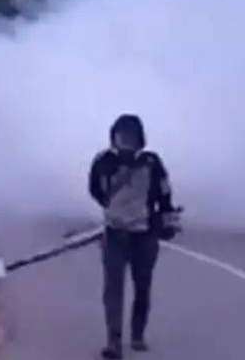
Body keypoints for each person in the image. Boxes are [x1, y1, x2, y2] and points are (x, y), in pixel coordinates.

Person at [88, 114, 178, 359]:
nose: (126, 141)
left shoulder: (152, 163)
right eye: (121, 135)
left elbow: (165, 194)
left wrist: (167, 220)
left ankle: (137, 334)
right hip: (114, 235)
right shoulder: (103, 162)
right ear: (114, 137)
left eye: (131, 136)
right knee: (113, 290)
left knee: (142, 286)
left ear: (140, 139)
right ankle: (114, 341)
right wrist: (114, 212)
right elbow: (95, 190)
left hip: (145, 236)